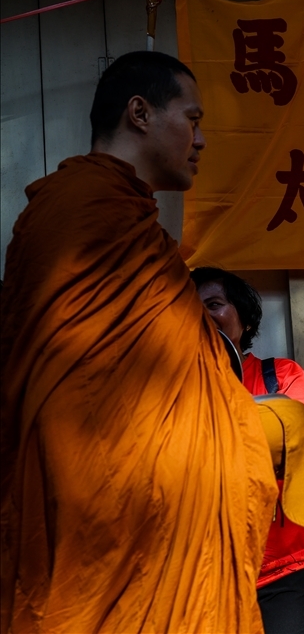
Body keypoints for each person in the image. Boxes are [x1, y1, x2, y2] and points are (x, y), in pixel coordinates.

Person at [0, 52, 277, 632]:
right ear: (140, 113)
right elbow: (70, 396)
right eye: (193, 119)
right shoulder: (77, 212)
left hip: (164, 524)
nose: (199, 141)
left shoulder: (138, 234)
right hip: (102, 520)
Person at [192, 267, 304, 634]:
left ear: (245, 320)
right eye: (189, 307)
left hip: (283, 569)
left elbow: (295, 440)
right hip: (208, 576)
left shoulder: (281, 375)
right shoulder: (172, 389)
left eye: (214, 304)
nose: (201, 315)